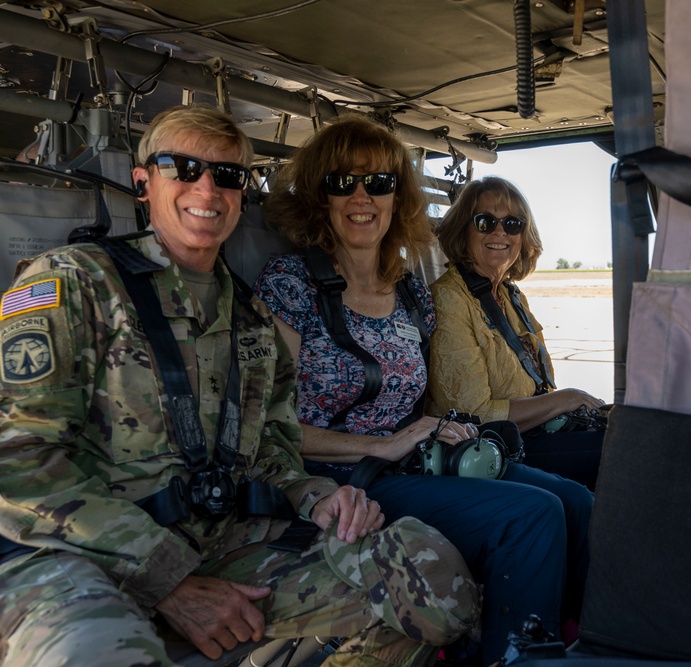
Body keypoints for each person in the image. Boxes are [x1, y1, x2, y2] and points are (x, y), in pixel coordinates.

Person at [0, 104, 479, 667]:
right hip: (74, 551)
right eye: (183, 167)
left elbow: (272, 453)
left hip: (219, 540)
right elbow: (18, 461)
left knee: (432, 590)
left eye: (227, 174)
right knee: (102, 653)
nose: (207, 187)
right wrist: (168, 581)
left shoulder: (252, 317)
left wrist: (319, 498)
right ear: (143, 183)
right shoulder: (73, 283)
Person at [253, 114, 592, 666]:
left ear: (398, 198)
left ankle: (570, 639)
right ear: (320, 197)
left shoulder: (410, 289)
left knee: (572, 501)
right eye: (344, 183)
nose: (362, 197)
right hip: (347, 475)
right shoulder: (291, 284)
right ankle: (513, 656)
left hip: (417, 459)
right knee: (530, 515)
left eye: (379, 183)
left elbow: (441, 388)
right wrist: (382, 444)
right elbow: (273, 429)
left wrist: (442, 428)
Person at [429, 177, 605, 490]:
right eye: (485, 222)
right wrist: (569, 398)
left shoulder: (511, 296)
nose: (500, 232)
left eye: (512, 223)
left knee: (630, 435)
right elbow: (475, 415)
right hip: (495, 450)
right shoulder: (449, 300)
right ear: (463, 230)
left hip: (533, 435)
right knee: (615, 456)